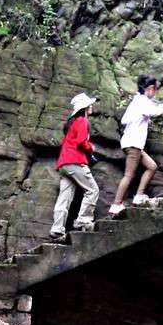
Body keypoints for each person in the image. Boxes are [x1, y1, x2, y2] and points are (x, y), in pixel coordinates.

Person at [109, 74, 163, 216]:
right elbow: (156, 111)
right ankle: (116, 204)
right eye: (154, 90)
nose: (154, 92)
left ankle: (139, 195)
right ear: (149, 89)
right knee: (129, 175)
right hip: (134, 144)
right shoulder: (142, 101)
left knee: (152, 166)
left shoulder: (137, 101)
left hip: (132, 143)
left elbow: (125, 119)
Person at [50, 93, 99, 243]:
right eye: (90, 105)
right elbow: (81, 142)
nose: (91, 106)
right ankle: (83, 220)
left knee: (65, 196)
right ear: (85, 107)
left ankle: (57, 229)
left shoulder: (71, 123)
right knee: (92, 190)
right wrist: (91, 148)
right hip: (75, 161)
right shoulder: (82, 121)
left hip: (64, 163)